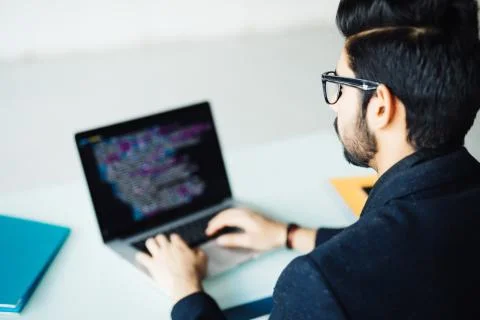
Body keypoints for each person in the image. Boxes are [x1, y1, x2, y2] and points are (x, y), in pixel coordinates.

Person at [136, 0, 480, 318]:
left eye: (341, 85)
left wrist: (186, 294)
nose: (334, 103)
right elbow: (405, 246)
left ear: (380, 107)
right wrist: (288, 234)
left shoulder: (317, 283)